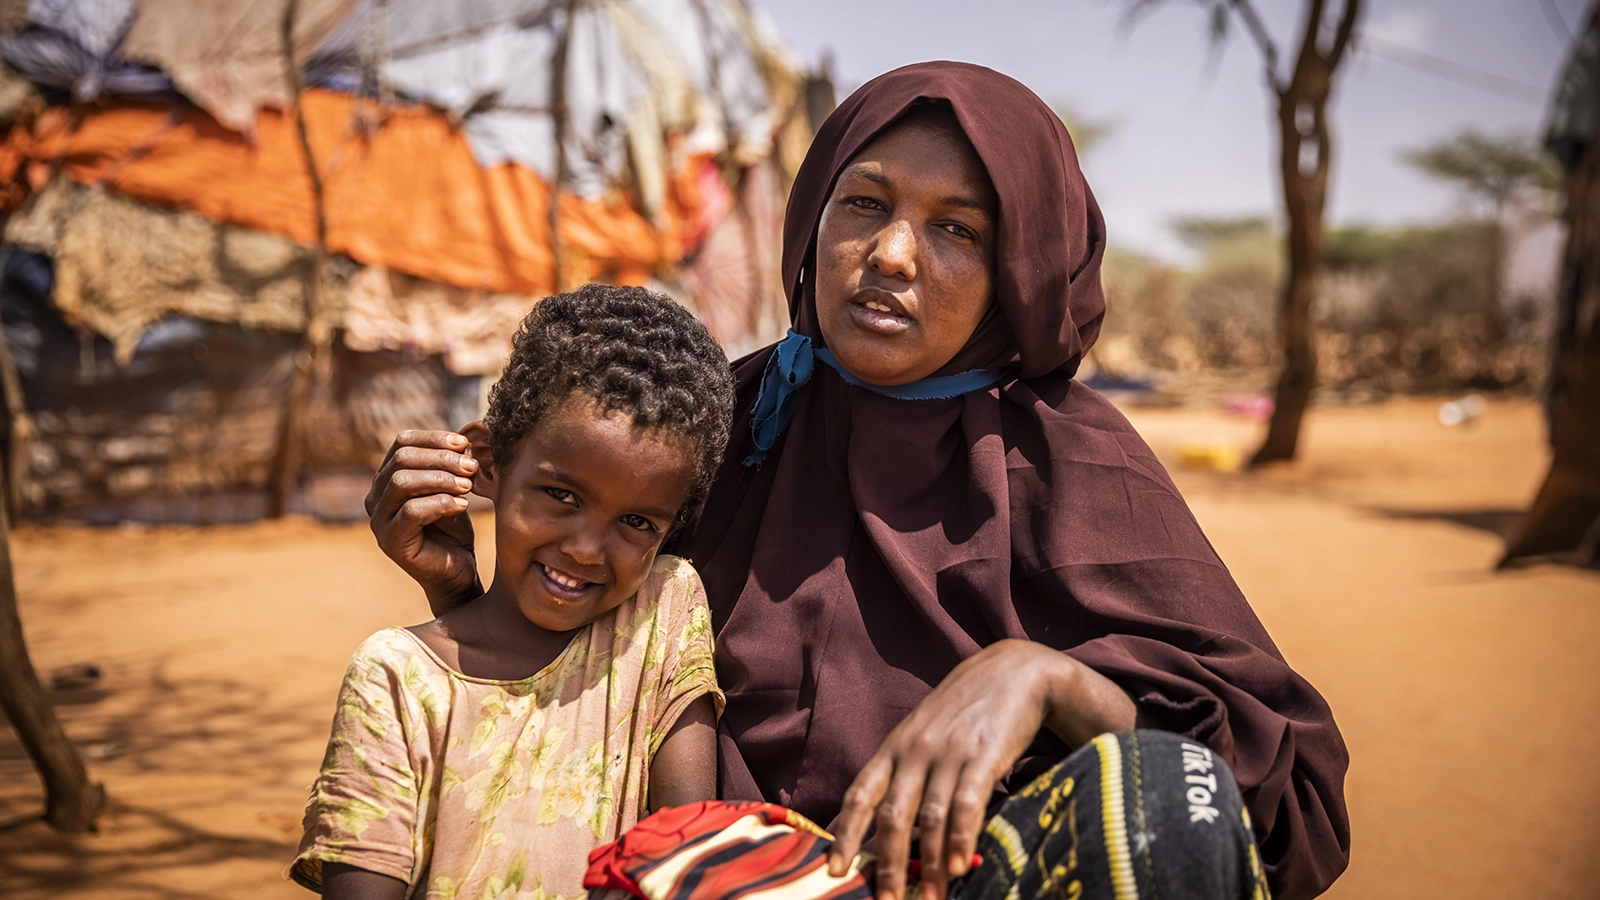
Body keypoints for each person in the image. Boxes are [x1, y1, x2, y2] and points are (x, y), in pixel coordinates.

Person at [365, 63, 1351, 900]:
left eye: (956, 230)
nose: (888, 255)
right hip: (703, 879)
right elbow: (586, 695)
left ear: (1020, 266)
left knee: (1160, 803)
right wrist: (462, 594)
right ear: (815, 217)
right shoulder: (720, 424)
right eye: (866, 204)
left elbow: (1276, 800)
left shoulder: (1074, 461)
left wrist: (1040, 677)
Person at [294, 285, 735, 899]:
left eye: (637, 522)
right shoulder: (396, 682)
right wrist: (459, 597)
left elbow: (684, 859)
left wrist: (462, 598)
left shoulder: (658, 610)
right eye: (562, 495)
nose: (586, 549)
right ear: (489, 464)